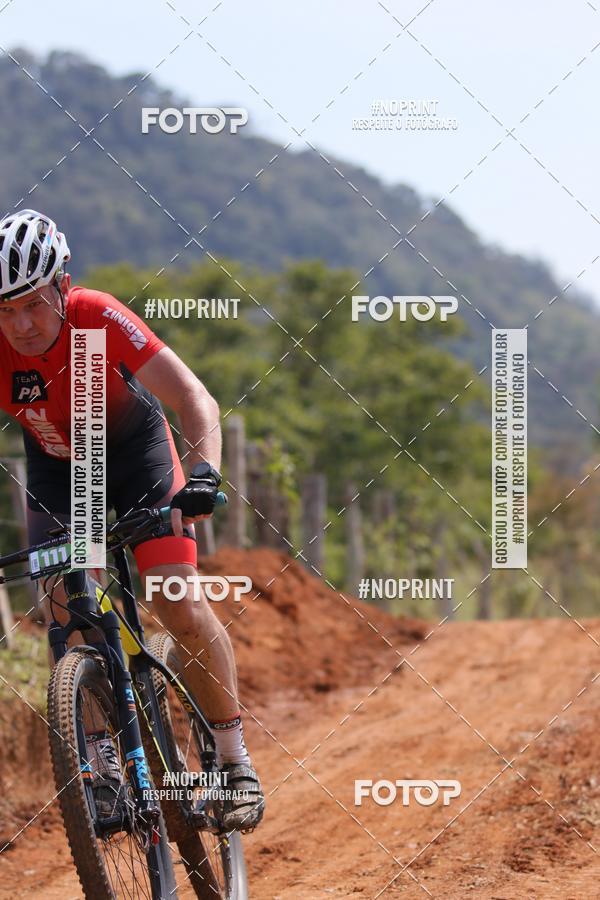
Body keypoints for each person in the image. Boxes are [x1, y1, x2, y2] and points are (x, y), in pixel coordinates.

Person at [0, 208, 264, 831]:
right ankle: (102, 773)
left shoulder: (96, 315)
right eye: (5, 311)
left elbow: (193, 397)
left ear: (63, 285)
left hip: (132, 450)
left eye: (33, 304)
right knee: (68, 608)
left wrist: (203, 475)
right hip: (62, 469)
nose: (21, 324)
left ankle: (234, 762)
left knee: (175, 598)